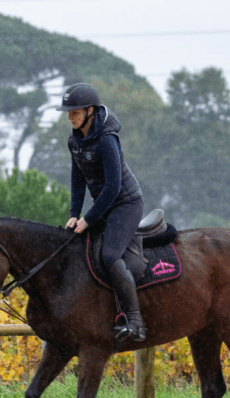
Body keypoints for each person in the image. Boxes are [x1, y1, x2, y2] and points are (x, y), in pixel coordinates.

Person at [57, 83, 146, 344]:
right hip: (104, 205)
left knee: (109, 255)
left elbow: (113, 187)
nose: (70, 117)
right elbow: (77, 179)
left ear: (90, 111)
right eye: (68, 112)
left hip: (126, 204)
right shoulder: (74, 140)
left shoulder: (107, 140)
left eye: (75, 112)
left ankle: (135, 321)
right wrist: (74, 213)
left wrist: (88, 219)